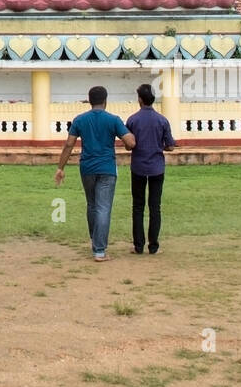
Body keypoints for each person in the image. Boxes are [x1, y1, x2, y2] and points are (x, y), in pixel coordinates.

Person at [54, 85, 135, 262]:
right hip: (107, 168)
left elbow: (69, 144)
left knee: (92, 205)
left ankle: (95, 240)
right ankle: (99, 250)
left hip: (87, 168)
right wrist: (130, 142)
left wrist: (61, 168)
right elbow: (130, 141)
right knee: (104, 207)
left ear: (89, 101)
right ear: (105, 101)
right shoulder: (113, 120)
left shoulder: (80, 120)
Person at [126, 82, 176, 254]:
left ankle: (138, 246)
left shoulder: (132, 120)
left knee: (138, 206)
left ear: (140, 99)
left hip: (138, 167)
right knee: (155, 207)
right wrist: (157, 146)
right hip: (157, 168)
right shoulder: (162, 120)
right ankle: (153, 246)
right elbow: (170, 146)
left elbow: (128, 145)